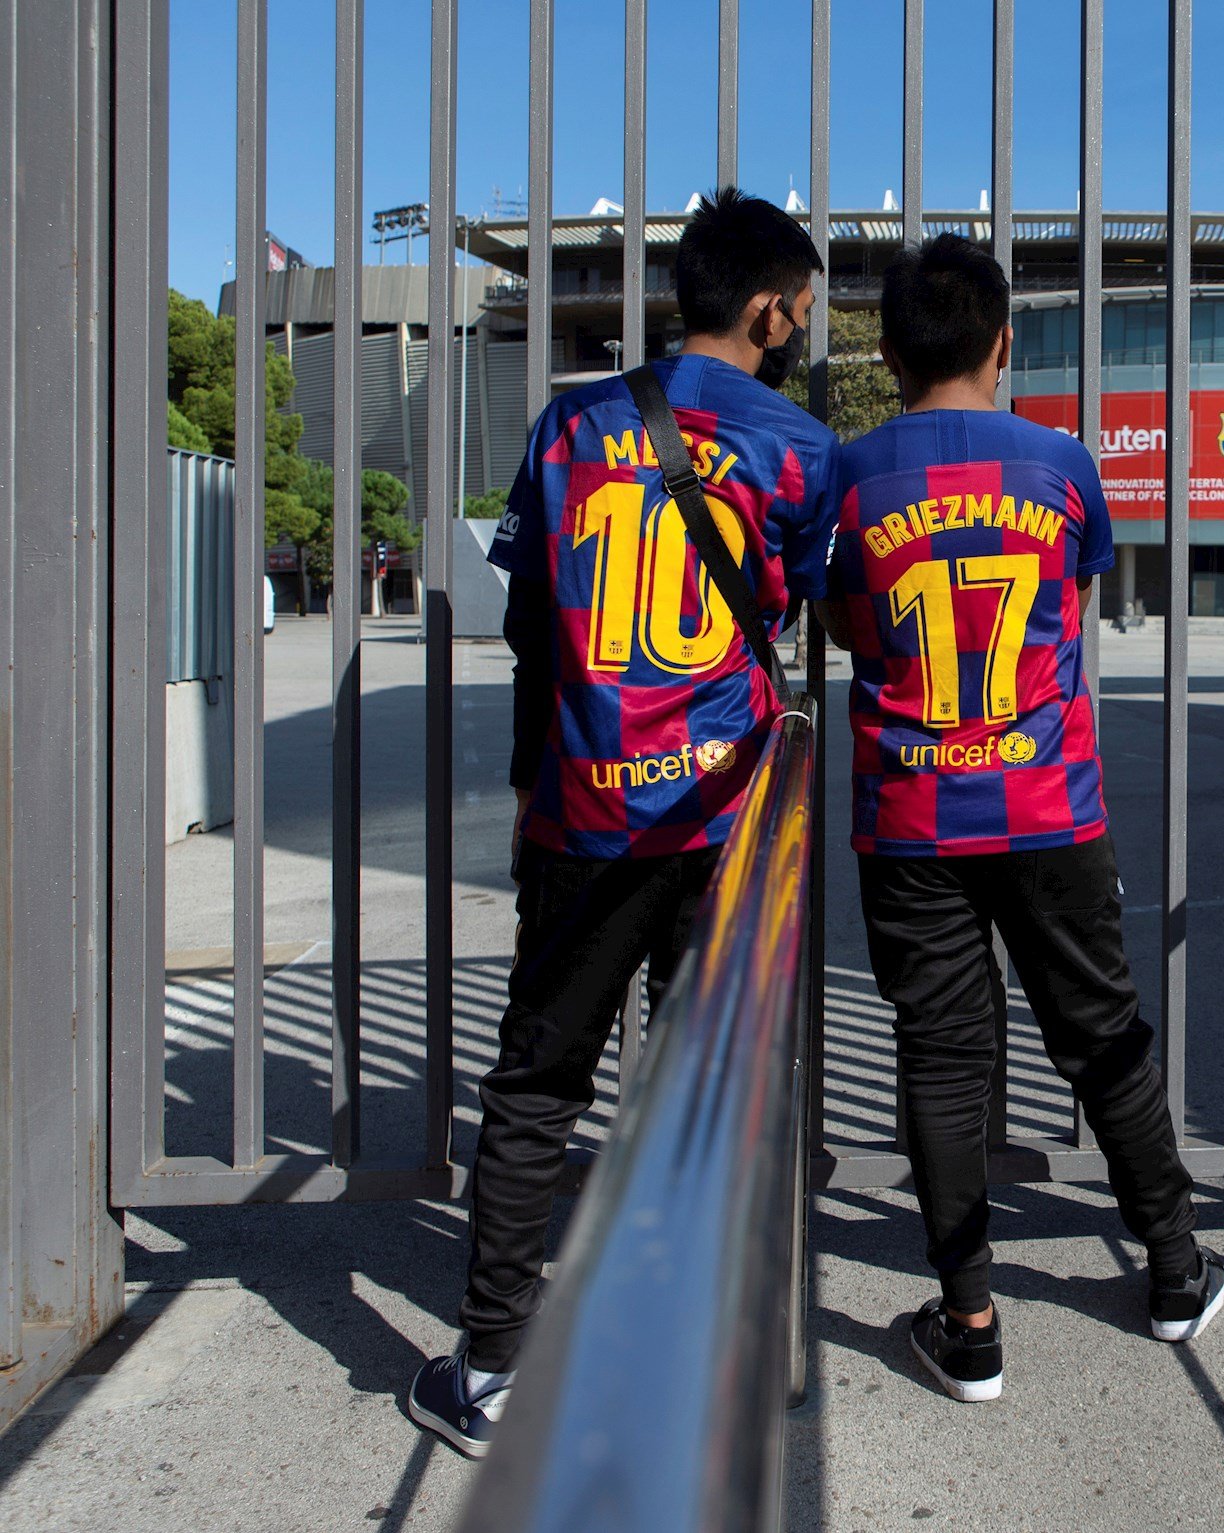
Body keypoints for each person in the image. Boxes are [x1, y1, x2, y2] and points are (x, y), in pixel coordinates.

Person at [406, 187, 837, 1457]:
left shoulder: (567, 423)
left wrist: (547, 759)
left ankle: (490, 1362)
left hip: (587, 812)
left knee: (540, 1077)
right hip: (728, 813)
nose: (802, 327)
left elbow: (529, 612)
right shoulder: (798, 448)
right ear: (768, 306)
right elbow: (797, 614)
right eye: (802, 308)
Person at [815, 234, 1224, 1405]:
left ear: (884, 351)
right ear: (1005, 342)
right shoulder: (1062, 464)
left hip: (910, 816)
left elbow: (850, 625)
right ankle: (1176, 1271)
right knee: (1102, 1035)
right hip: (1045, 803)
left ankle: (970, 1322)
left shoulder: (853, 473)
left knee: (942, 1061)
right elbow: (1066, 605)